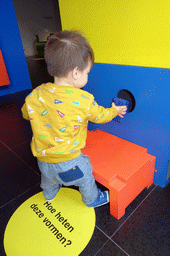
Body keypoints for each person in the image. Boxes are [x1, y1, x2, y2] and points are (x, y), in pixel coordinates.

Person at [21, 30, 127, 208]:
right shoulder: (84, 100)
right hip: (69, 162)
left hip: (43, 159)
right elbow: (100, 116)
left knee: (49, 180)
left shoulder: (36, 93)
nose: (87, 76)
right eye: (87, 72)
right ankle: (92, 199)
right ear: (76, 72)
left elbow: (26, 113)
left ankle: (48, 194)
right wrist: (114, 111)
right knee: (86, 177)